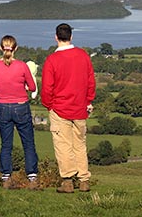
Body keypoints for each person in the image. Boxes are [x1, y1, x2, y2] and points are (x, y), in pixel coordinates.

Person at [41, 23, 96, 193]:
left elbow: (47, 88)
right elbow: (90, 81)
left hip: (59, 109)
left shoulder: (52, 60)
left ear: (56, 37)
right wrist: (88, 101)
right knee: (80, 144)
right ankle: (84, 180)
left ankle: (67, 182)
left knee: (63, 145)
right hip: (80, 108)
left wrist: (49, 105)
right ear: (71, 36)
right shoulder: (83, 55)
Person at [0, 35, 39, 190]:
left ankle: (6, 178)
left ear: (0, 48)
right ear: (16, 48)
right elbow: (32, 87)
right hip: (20, 106)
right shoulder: (22, 66)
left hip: (3, 106)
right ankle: (32, 178)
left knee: (6, 145)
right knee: (28, 143)